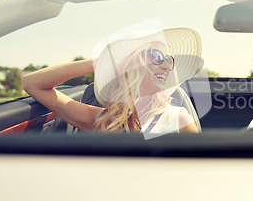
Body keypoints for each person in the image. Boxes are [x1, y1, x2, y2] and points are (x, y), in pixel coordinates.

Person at [22, 27, 202, 136]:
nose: (165, 65)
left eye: (168, 59)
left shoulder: (179, 119)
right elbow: (32, 83)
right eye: (156, 56)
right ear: (131, 66)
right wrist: (102, 63)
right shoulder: (104, 120)